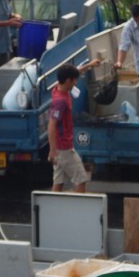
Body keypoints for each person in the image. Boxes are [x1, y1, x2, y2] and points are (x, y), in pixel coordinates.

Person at [48, 60, 100, 193]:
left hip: (59, 149)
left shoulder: (57, 88)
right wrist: (52, 150)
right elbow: (52, 125)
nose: (76, 83)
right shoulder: (60, 101)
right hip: (64, 149)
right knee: (81, 179)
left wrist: (89, 65)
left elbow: (75, 72)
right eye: (74, 81)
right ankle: (78, 211)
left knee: (58, 182)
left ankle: (53, 210)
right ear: (67, 81)